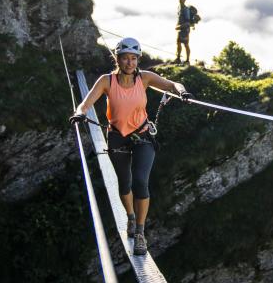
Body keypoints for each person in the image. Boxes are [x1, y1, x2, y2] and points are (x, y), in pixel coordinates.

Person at [69, 37, 192, 255]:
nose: (129, 63)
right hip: (117, 137)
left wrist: (182, 92)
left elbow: (172, 84)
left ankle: (141, 233)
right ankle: (131, 217)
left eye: (133, 59)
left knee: (140, 181)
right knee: (124, 183)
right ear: (117, 59)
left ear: (138, 60)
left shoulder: (144, 78)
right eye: (125, 58)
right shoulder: (107, 81)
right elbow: (86, 103)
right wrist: (79, 113)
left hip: (143, 135)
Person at [175, 0, 192, 64]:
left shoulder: (186, 9)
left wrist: (179, 27)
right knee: (178, 43)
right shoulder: (179, 7)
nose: (181, 0)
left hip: (185, 30)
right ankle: (178, 58)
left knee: (186, 44)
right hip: (180, 29)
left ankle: (187, 60)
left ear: (185, 0)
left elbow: (188, 22)